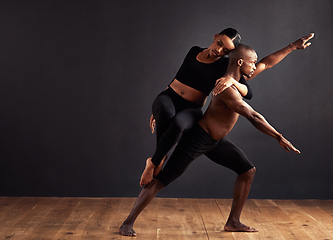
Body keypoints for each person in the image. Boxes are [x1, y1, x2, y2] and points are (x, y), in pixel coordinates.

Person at [120, 44, 301, 236]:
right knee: (161, 180)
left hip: (215, 141)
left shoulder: (235, 80)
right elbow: (253, 116)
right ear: (240, 63)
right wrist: (279, 137)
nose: (255, 66)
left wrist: (292, 46)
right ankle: (127, 222)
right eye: (252, 63)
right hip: (198, 139)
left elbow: (266, 64)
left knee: (247, 171)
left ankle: (233, 222)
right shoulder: (225, 88)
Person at [140, 31, 314, 186]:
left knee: (177, 124)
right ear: (215, 36)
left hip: (191, 108)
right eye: (219, 43)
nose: (219, 50)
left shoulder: (222, 67)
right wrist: (160, 108)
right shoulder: (194, 50)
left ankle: (154, 162)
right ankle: (158, 158)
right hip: (168, 97)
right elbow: (178, 77)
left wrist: (234, 82)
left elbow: (260, 72)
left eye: (225, 50)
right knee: (165, 111)